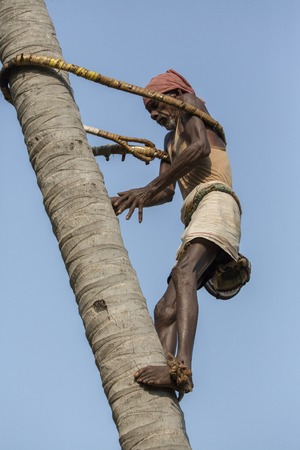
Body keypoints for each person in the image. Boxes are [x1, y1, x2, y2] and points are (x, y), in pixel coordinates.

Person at [111, 69, 245, 398]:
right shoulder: (170, 142)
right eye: (148, 111)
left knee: (185, 274)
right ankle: (164, 375)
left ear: (173, 95)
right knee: (164, 310)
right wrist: (120, 201)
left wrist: (148, 187)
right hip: (195, 214)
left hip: (215, 202)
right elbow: (167, 193)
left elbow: (199, 148)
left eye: (156, 106)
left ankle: (182, 368)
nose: (154, 114)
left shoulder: (190, 104)